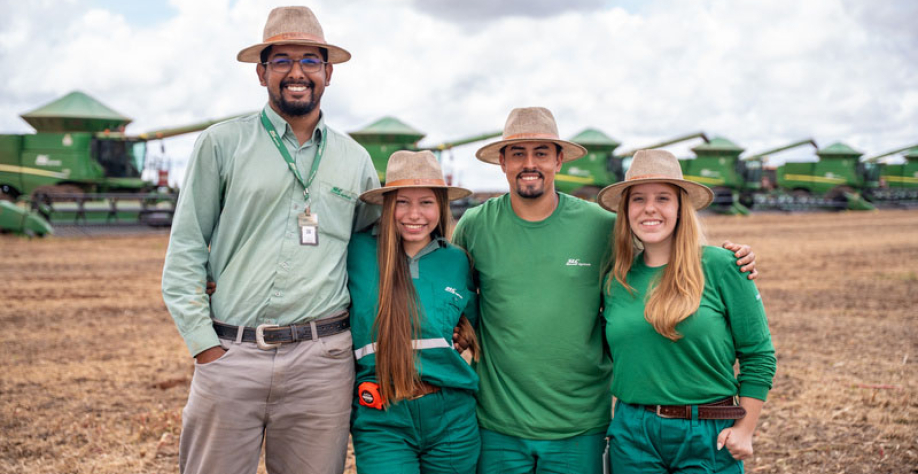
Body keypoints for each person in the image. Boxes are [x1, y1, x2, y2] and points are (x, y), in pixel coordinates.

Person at [451, 107, 758, 474]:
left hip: (580, 425)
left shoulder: (602, 226)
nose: (529, 163)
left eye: (541, 153)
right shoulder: (475, 225)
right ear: (502, 162)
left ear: (560, 160)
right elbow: (457, 301)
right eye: (518, 153)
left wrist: (729, 261)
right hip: (497, 425)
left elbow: (660, 259)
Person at [161, 7, 379, 474]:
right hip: (231, 354)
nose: (296, 72)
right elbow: (184, 251)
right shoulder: (221, 144)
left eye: (310, 61)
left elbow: (370, 254)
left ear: (329, 72)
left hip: (323, 362)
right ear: (261, 73)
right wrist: (206, 346)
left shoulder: (355, 160)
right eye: (281, 60)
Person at [597, 149, 776, 473]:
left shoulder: (723, 266)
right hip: (632, 434)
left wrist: (746, 429)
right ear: (626, 211)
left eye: (663, 198)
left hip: (706, 433)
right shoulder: (615, 281)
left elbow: (758, 353)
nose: (649, 208)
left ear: (680, 207)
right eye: (638, 199)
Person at [347, 150, 481, 474]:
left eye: (426, 202)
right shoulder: (356, 252)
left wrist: (463, 336)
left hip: (452, 417)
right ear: (388, 205)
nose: (414, 214)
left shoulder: (458, 260)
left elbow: (472, 325)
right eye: (403, 202)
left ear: (441, 207)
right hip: (382, 416)